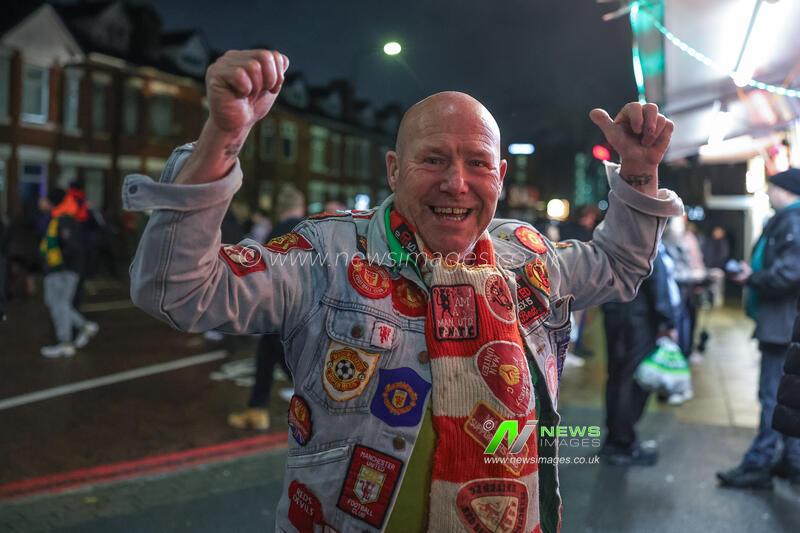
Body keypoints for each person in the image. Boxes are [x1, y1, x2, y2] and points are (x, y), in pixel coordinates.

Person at [123, 49, 682, 532]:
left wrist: (637, 174)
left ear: (501, 177)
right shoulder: (326, 255)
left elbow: (619, 265)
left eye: (477, 164)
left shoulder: (528, 256)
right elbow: (178, 290)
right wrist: (222, 136)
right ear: (393, 169)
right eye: (433, 159)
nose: (456, 183)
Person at [717, 168, 800, 489]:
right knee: (787, 396)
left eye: (772, 188)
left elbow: (789, 274)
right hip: (783, 326)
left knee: (773, 396)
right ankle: (791, 461)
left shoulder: (792, 222)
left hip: (782, 326)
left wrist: (751, 277)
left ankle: (759, 462)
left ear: (786, 191)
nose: (768, 193)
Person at [228, 186, 305, 430]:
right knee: (268, 353)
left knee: (282, 357)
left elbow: (265, 274)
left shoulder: (276, 233)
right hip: (305, 306)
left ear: (279, 209)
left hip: (281, 307)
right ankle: (256, 408)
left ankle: (317, 402)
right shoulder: (312, 230)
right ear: (300, 206)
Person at [600, 247, 677, 465]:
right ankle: (623, 443)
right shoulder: (648, 242)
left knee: (617, 378)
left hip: (616, 314)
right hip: (637, 320)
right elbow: (657, 284)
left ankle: (614, 438)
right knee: (630, 382)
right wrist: (667, 321)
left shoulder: (617, 238)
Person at [39, 188, 98, 358]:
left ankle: (65, 343)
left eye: (45, 199)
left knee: (60, 304)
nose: (41, 202)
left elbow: (72, 247)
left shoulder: (63, 220)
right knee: (57, 303)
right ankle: (85, 326)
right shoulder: (60, 218)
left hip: (62, 270)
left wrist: (62, 266)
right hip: (60, 270)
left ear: (52, 202)